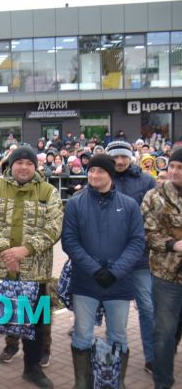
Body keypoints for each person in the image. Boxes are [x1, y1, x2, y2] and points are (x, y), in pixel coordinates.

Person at [0, 146, 63, 389]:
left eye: (28, 163)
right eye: (18, 162)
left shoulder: (48, 192)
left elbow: (54, 226)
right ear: (11, 165)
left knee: (35, 322)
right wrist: (4, 250)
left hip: (34, 271)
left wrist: (25, 249)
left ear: (35, 166)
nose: (23, 167)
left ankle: (32, 368)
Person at [62, 154, 145, 388]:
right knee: (82, 336)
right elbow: (69, 241)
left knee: (118, 336)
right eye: (91, 171)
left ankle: (115, 381)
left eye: (100, 171)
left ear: (110, 174)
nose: (94, 175)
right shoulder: (76, 203)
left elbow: (137, 241)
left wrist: (115, 271)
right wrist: (95, 270)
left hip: (118, 285)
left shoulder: (128, 205)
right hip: (86, 282)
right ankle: (82, 382)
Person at [106, 140, 157, 373]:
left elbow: (155, 216)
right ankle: (113, 353)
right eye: (115, 157)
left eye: (123, 156)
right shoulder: (102, 179)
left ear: (131, 157)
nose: (119, 161)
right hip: (111, 259)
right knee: (113, 309)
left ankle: (152, 356)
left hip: (139, 258)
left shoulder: (146, 181)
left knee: (147, 306)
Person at [142, 148, 182, 389]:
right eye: (173, 167)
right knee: (164, 333)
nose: (175, 171)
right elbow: (147, 234)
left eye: (180, 168)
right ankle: (163, 382)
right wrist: (173, 244)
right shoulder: (154, 196)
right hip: (166, 276)